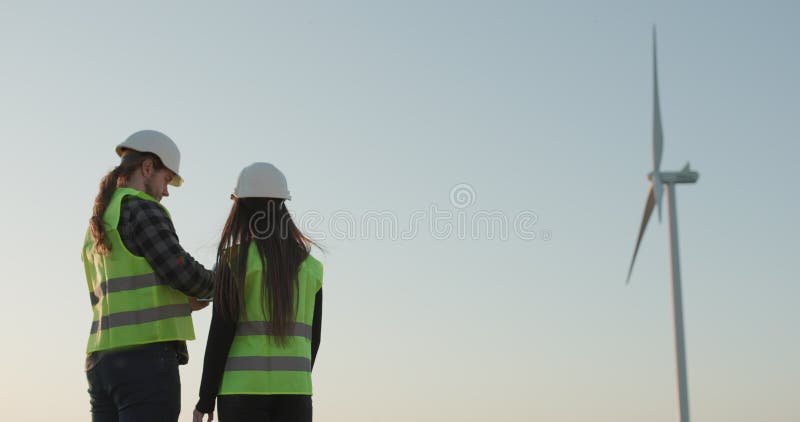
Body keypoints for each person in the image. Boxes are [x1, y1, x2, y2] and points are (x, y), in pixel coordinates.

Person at [82, 129, 214, 422]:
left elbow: (123, 293)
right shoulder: (141, 208)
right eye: (166, 179)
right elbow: (181, 271)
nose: (166, 191)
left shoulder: (99, 222)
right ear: (147, 168)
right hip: (143, 363)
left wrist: (181, 303)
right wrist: (222, 283)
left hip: (101, 362)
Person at [193, 162, 323, 422]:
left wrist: (205, 399)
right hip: (296, 393)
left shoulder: (234, 261)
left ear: (241, 209)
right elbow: (314, 339)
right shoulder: (312, 268)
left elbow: (220, 335)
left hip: (241, 393)